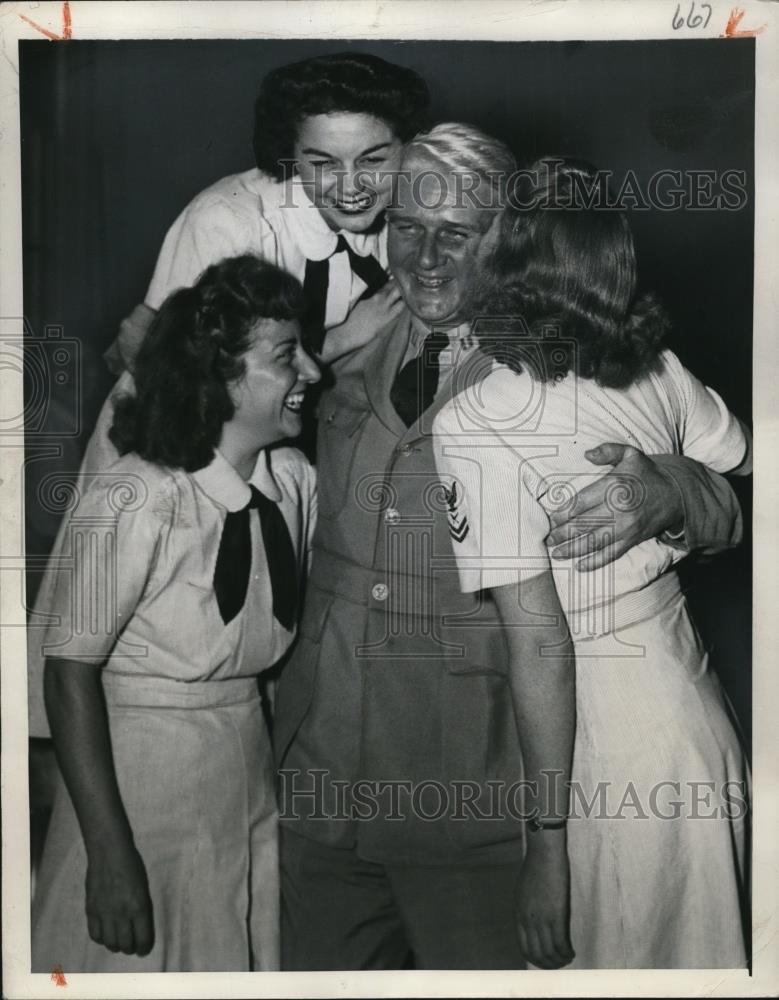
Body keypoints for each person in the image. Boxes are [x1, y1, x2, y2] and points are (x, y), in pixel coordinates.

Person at [273, 126, 746, 970]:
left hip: (474, 785)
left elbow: (735, 488)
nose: (422, 256)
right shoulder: (339, 344)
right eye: (406, 227)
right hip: (323, 765)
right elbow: (180, 416)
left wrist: (674, 490)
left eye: (454, 233)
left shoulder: (565, 359)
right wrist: (315, 347)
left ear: (506, 237)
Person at [26, 49, 424, 739]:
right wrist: (334, 342)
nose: (352, 186)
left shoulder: (405, 218)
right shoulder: (227, 218)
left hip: (275, 450)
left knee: (248, 667)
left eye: (374, 159)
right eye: (321, 162)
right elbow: (159, 365)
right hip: (176, 449)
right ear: (286, 154)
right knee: (128, 661)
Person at [432, 158, 751, 968]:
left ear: (498, 260)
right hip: (694, 712)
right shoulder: (659, 370)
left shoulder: (479, 419)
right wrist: (682, 482)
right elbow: (745, 462)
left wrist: (546, 851)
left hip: (606, 736)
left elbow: (540, 644)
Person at [31, 255, 320, 972]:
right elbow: (68, 672)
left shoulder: (292, 484)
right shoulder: (137, 494)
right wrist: (109, 851)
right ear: (221, 376)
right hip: (138, 785)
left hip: (241, 775)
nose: (313, 371)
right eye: (287, 356)